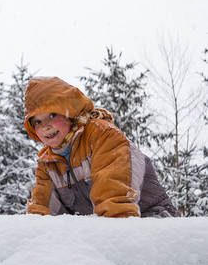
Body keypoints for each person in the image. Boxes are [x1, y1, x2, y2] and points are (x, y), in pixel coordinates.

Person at [24, 76, 179, 218]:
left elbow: (114, 197)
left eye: (52, 115)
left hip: (152, 218)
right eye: (37, 122)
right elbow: (42, 210)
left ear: (69, 112)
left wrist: (108, 237)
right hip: (100, 226)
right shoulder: (47, 162)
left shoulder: (101, 135)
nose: (46, 126)